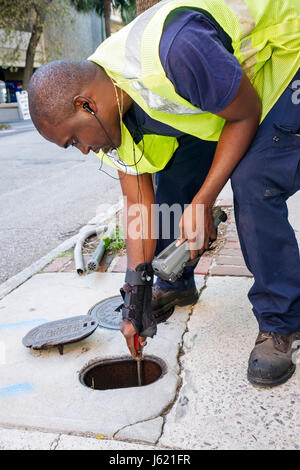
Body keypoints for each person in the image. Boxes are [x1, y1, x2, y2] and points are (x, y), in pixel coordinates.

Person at [28, 0, 300, 388]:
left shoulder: (175, 50)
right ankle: (176, 283)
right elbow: (139, 204)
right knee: (170, 184)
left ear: (85, 105)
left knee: (254, 180)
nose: (84, 150)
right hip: (228, 92)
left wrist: (204, 201)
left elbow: (244, 114)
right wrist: (134, 297)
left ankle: (281, 321)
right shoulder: (112, 107)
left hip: (286, 57)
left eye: (73, 140)